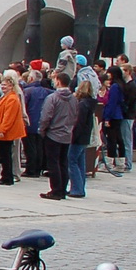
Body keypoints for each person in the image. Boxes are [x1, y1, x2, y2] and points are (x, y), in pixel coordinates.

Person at [38, 72, 77, 200]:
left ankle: (55, 190)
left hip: (53, 133)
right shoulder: (74, 98)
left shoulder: (52, 98)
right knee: (63, 162)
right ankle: (62, 188)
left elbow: (46, 116)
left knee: (53, 163)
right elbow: (75, 115)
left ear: (59, 81)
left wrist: (42, 130)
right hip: (67, 133)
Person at [0, 72, 27, 186]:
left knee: (6, 155)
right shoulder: (6, 97)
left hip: (6, 132)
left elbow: (8, 117)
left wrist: (2, 130)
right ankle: (6, 175)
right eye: (2, 84)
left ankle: (7, 177)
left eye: (5, 85)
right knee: (5, 154)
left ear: (12, 86)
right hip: (2, 130)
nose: (3, 86)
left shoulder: (12, 99)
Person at [68, 79, 98, 197]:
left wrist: (73, 136)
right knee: (80, 162)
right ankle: (80, 187)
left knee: (72, 161)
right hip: (85, 137)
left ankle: (77, 188)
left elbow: (78, 123)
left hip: (78, 137)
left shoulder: (81, 105)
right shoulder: (90, 104)